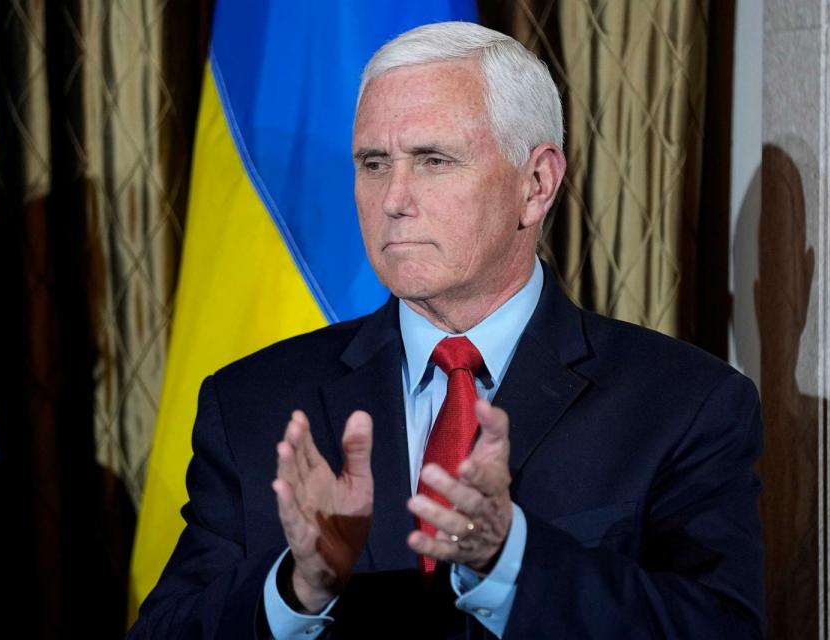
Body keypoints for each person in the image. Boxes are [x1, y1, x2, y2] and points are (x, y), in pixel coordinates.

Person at [129, 22, 765, 639]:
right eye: (374, 163)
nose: (394, 198)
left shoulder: (684, 404)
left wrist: (510, 558)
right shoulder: (254, 404)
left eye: (433, 160)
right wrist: (299, 587)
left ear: (537, 183)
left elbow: (720, 629)